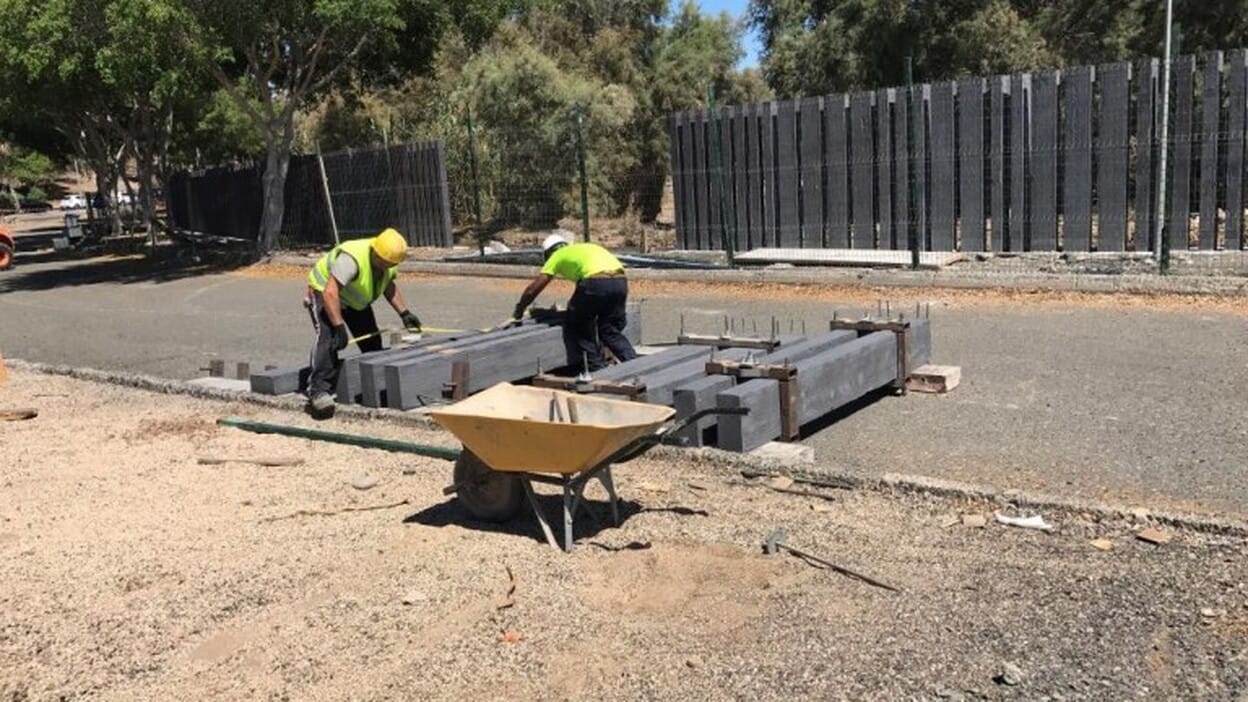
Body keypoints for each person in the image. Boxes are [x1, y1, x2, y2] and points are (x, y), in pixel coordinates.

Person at [305, 228, 422, 412]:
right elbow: (330, 292)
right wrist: (339, 327)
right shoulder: (351, 259)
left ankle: (378, 384)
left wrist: (405, 313)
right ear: (375, 252)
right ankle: (319, 392)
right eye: (384, 263)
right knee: (328, 340)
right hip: (323, 293)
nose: (387, 267)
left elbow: (388, 284)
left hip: (353, 300)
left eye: (390, 264)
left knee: (372, 341)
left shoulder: (388, 259)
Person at [512, 234, 637, 374]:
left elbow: (533, 289)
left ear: (548, 253)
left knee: (579, 324)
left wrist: (520, 308)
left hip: (594, 282)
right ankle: (635, 363)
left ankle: (598, 369)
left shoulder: (557, 255)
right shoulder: (584, 248)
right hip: (620, 281)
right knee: (609, 330)